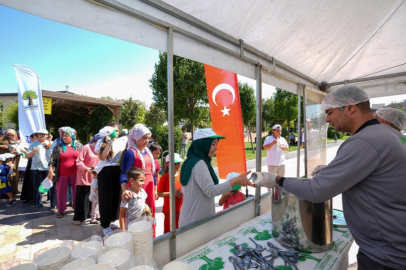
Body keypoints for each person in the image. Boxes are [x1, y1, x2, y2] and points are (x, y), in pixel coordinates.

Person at [256, 85, 406, 270]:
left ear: (350, 107)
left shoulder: (363, 141)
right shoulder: (389, 134)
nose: (327, 119)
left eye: (330, 112)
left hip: (386, 255)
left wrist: (276, 180)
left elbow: (316, 191)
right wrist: (335, 169)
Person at [178, 128, 255, 227]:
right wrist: (236, 180)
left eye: (216, 144)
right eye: (213, 144)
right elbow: (211, 190)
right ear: (202, 144)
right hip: (196, 222)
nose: (216, 148)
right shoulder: (199, 163)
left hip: (192, 219)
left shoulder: (191, 161)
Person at [120, 124, 157, 236]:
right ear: (137, 138)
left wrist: (155, 188)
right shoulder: (131, 152)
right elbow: (123, 173)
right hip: (137, 189)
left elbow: (153, 172)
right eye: (144, 138)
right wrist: (125, 190)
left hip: (149, 188)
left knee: (149, 212)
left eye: (148, 138)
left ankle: (151, 236)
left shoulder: (148, 152)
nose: (147, 141)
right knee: (136, 214)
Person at [94, 124, 125, 235]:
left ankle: (113, 219)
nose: (115, 133)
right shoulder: (101, 141)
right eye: (113, 131)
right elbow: (102, 157)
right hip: (104, 171)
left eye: (117, 131)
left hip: (117, 170)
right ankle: (105, 224)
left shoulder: (122, 142)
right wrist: (109, 143)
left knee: (116, 197)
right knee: (105, 198)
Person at [48, 127, 82, 218]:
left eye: (66, 136)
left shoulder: (79, 146)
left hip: (76, 174)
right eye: (63, 136)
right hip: (62, 174)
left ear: (72, 136)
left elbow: (83, 158)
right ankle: (61, 210)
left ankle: (77, 208)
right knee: (61, 193)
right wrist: (50, 171)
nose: (64, 137)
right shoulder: (58, 147)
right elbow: (52, 160)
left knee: (77, 192)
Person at [73, 134, 100, 225]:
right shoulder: (86, 147)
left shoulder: (101, 149)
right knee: (82, 197)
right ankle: (79, 217)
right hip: (84, 176)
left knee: (93, 197)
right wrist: (86, 168)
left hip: (95, 177)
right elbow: (78, 161)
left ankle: (91, 214)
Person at [25, 129, 52, 208]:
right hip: (36, 168)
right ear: (37, 135)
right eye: (40, 134)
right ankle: (37, 201)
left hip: (48, 167)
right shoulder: (33, 144)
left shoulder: (50, 144)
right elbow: (26, 156)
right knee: (37, 185)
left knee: (49, 184)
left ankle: (50, 199)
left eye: (43, 134)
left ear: (47, 135)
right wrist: (33, 151)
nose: (41, 135)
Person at [157, 153, 184, 233]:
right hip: (169, 210)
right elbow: (159, 193)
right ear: (168, 164)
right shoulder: (165, 177)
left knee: (180, 230)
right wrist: (172, 193)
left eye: (178, 163)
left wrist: (181, 193)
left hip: (181, 208)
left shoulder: (181, 175)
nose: (177, 166)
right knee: (169, 231)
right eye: (174, 163)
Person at [0, 129, 24, 196]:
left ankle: (13, 191)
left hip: (15, 160)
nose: (10, 136)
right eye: (8, 134)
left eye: (12, 135)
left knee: (14, 175)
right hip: (4, 161)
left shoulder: (18, 140)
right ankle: (4, 193)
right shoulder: (2, 139)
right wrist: (3, 146)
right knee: (4, 176)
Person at [20, 133, 38, 203]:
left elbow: (31, 153)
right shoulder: (32, 144)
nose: (31, 140)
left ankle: (32, 197)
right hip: (30, 162)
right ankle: (28, 197)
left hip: (35, 164)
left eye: (32, 138)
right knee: (28, 180)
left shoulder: (38, 145)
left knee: (32, 180)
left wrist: (24, 151)